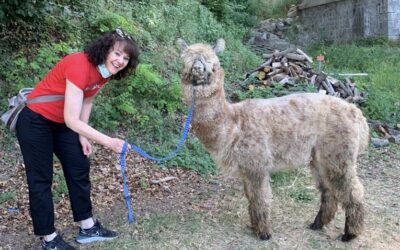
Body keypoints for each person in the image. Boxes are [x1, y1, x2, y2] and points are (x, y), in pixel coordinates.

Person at [15, 28, 139, 250]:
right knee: (41, 179)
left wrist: (83, 136)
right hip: (35, 120)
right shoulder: (79, 64)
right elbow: (72, 119)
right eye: (117, 53)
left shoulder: (104, 73)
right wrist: (109, 141)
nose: (120, 61)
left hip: (62, 124)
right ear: (104, 50)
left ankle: (87, 226)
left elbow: (87, 101)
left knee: (78, 165)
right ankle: (49, 239)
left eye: (126, 58)